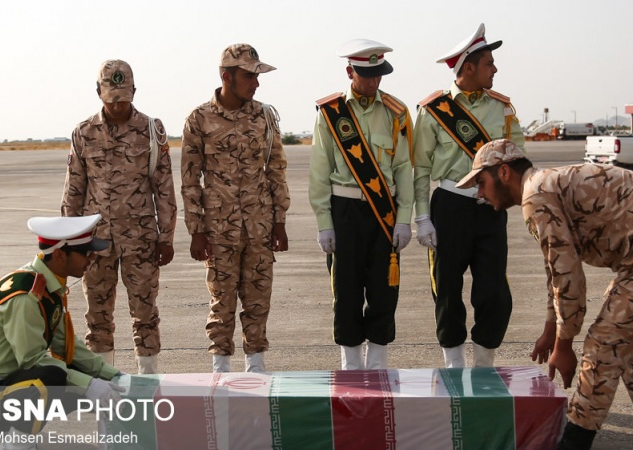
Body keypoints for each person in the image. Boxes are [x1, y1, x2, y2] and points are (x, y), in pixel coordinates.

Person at [456, 139, 633, 450]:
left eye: (481, 182)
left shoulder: (536, 195)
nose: (480, 194)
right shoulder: (544, 185)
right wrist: (552, 330)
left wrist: (565, 344)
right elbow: (557, 268)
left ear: (504, 172)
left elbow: (569, 278)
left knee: (604, 344)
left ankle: (574, 443)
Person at [412, 22, 525, 368]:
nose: (495, 69)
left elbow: (518, 158)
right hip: (450, 207)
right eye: (489, 63)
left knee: (494, 291)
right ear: (469, 67)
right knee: (446, 289)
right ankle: (454, 363)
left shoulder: (502, 107)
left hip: (489, 209)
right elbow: (420, 169)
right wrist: (422, 218)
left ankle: (485, 363)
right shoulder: (434, 110)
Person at [0, 214, 125, 449]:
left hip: (11, 382)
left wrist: (112, 375)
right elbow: (32, 360)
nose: (91, 258)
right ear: (59, 254)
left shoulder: (46, 284)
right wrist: (89, 385)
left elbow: (65, 346)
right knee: (52, 376)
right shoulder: (27, 297)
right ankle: (16, 442)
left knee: (85, 379)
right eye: (85, 253)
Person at [61, 59, 177, 375]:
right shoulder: (83, 133)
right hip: (95, 240)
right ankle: (102, 381)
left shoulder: (152, 131)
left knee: (145, 312)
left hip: (141, 240)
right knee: (97, 314)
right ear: (99, 92)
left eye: (124, 97)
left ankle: (148, 378)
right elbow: (74, 189)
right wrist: (71, 240)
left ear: (134, 91)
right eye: (112, 98)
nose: (118, 105)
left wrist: (166, 237)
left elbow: (164, 188)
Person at [181, 43, 290, 373]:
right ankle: (221, 367)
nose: (256, 83)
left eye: (257, 76)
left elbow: (276, 168)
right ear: (227, 76)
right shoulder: (199, 119)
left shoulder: (265, 116)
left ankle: (256, 365)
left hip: (259, 224)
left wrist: (279, 221)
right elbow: (189, 180)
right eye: (249, 76)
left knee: (259, 298)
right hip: (218, 229)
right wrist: (196, 231)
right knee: (221, 300)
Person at [309, 39, 414, 370]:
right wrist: (325, 222)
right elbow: (319, 171)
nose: (374, 82)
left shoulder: (396, 113)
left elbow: (403, 170)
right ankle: (351, 367)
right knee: (347, 291)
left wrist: (405, 218)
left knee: (385, 291)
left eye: (379, 75)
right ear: (350, 71)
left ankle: (378, 365)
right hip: (345, 212)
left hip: (385, 214)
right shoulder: (331, 113)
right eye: (367, 75)